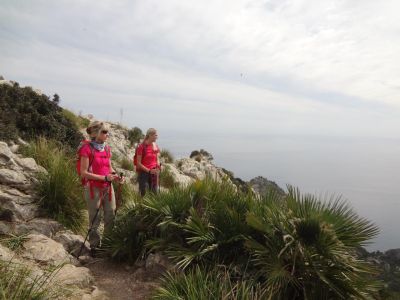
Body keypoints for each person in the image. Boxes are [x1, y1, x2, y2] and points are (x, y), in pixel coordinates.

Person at [79, 121, 124, 256]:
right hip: (93, 189)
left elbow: (109, 167)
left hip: (108, 188)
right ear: (95, 133)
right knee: (95, 219)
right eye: (104, 132)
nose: (107, 134)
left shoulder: (106, 148)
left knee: (110, 216)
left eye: (107, 132)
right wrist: (104, 178)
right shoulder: (86, 149)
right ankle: (94, 246)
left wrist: (116, 176)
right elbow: (84, 173)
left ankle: (106, 245)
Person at [136, 128, 161, 196]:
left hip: (154, 174)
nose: (157, 137)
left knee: (154, 195)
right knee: (144, 195)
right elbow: (138, 163)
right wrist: (149, 171)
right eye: (155, 135)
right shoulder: (141, 147)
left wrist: (158, 166)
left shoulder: (155, 146)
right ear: (150, 135)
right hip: (144, 174)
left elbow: (157, 158)